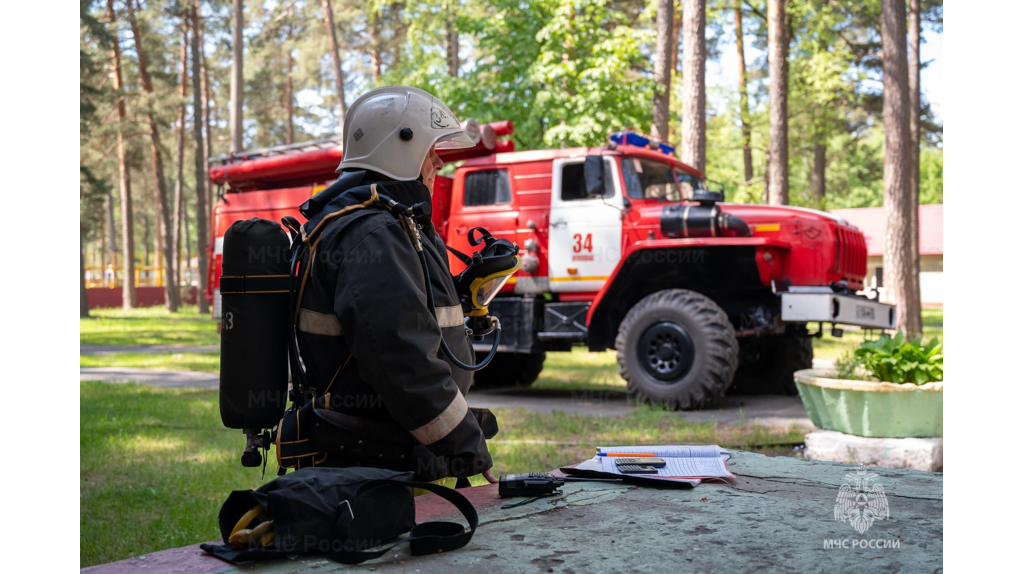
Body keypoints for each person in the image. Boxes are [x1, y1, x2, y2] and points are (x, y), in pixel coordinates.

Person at [283, 86, 497, 485]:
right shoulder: (371, 235)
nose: (437, 162)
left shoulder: (396, 223)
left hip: (398, 454)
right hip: (371, 466)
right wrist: (468, 448)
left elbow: (417, 321)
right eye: (431, 150)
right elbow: (403, 362)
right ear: (402, 149)